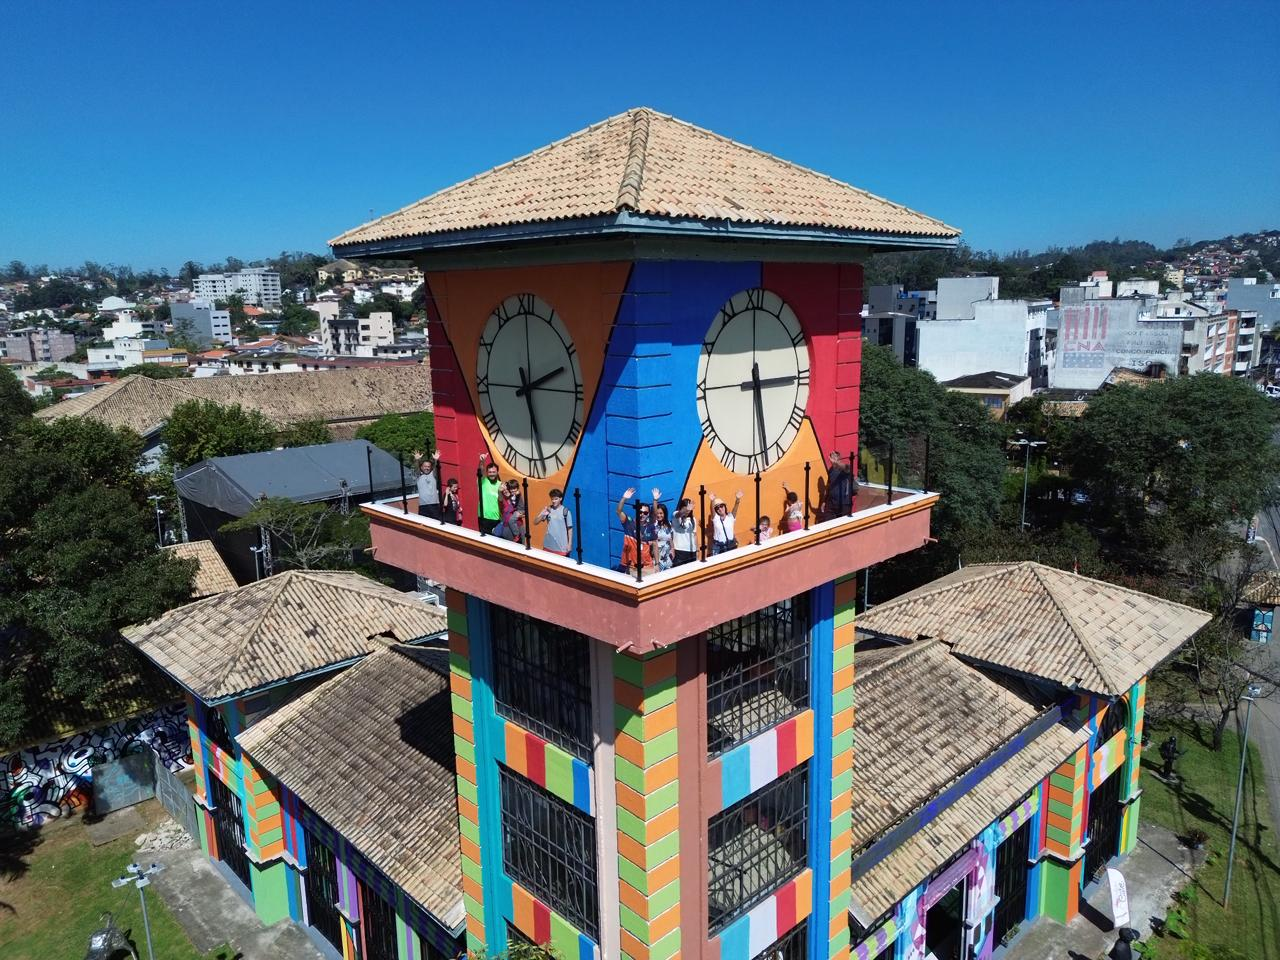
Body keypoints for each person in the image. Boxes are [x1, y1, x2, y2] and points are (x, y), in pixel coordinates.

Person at [616, 486, 655, 571]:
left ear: (648, 514)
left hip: (646, 566)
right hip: (629, 566)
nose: (642, 515)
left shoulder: (650, 526)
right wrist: (624, 498)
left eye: (645, 513)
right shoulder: (629, 523)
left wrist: (655, 500)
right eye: (640, 512)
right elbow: (618, 511)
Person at [535, 488, 574, 555]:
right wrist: (543, 514)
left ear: (560, 499)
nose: (553, 501)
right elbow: (535, 522)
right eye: (552, 499)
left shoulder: (566, 511)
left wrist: (569, 544)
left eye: (556, 499)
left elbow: (570, 529)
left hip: (561, 547)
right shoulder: (548, 509)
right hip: (548, 545)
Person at [823, 451, 857, 519]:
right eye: (832, 457)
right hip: (831, 502)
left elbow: (847, 468)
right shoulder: (831, 470)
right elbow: (828, 486)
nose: (833, 459)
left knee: (843, 523)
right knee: (828, 523)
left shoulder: (844, 468)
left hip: (844, 502)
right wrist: (824, 501)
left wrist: (836, 462)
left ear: (839, 458)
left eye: (835, 457)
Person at [710, 491, 744, 555]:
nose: (720, 509)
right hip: (718, 547)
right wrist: (712, 501)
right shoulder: (716, 518)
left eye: (721, 506)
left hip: (730, 545)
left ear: (725, 506)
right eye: (717, 508)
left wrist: (738, 499)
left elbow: (736, 507)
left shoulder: (730, 517)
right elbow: (712, 510)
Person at [413, 449, 442, 521]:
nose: (427, 468)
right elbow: (416, 468)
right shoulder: (418, 476)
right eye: (425, 466)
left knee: (436, 523)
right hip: (423, 505)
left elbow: (435, 468)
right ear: (421, 467)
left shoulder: (433, 475)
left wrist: (435, 460)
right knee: (424, 523)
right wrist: (417, 460)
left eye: (428, 466)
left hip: (434, 504)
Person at [478, 454, 502, 535]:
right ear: (487, 473)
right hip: (484, 517)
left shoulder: (501, 485)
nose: (492, 474)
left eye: (494, 472)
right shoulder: (483, 481)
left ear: (497, 472)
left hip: (498, 518)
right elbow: (481, 471)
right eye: (490, 472)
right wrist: (482, 461)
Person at [651, 489, 674, 571]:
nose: (659, 515)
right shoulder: (654, 524)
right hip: (657, 560)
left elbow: (670, 540)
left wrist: (673, 552)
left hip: (667, 559)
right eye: (658, 513)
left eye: (661, 513)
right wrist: (655, 500)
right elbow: (653, 512)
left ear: (665, 514)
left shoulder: (669, 525)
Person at [672, 497, 698, 566]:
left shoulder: (693, 519)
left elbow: (695, 535)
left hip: (692, 551)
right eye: (685, 508)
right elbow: (679, 514)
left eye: (689, 508)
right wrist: (686, 509)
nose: (687, 510)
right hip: (680, 550)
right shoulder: (676, 515)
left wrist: (697, 550)